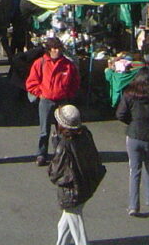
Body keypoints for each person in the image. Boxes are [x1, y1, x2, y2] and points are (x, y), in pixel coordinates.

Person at [48, 104, 105, 244]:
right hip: (87, 184)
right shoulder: (85, 134)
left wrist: (56, 147)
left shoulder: (64, 145)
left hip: (72, 191)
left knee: (76, 226)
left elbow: (55, 173)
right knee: (64, 225)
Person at [115, 69, 149, 216]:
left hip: (134, 135)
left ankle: (133, 205)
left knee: (134, 170)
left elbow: (120, 114)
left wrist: (131, 122)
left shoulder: (129, 94)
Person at [26, 37, 81, 166]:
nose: (57, 51)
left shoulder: (68, 65)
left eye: (59, 48)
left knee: (63, 131)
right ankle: (41, 154)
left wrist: (69, 94)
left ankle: (60, 154)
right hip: (46, 101)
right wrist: (41, 93)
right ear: (49, 50)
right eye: (54, 48)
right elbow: (31, 83)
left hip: (62, 101)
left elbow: (75, 82)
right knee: (44, 131)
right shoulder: (40, 63)